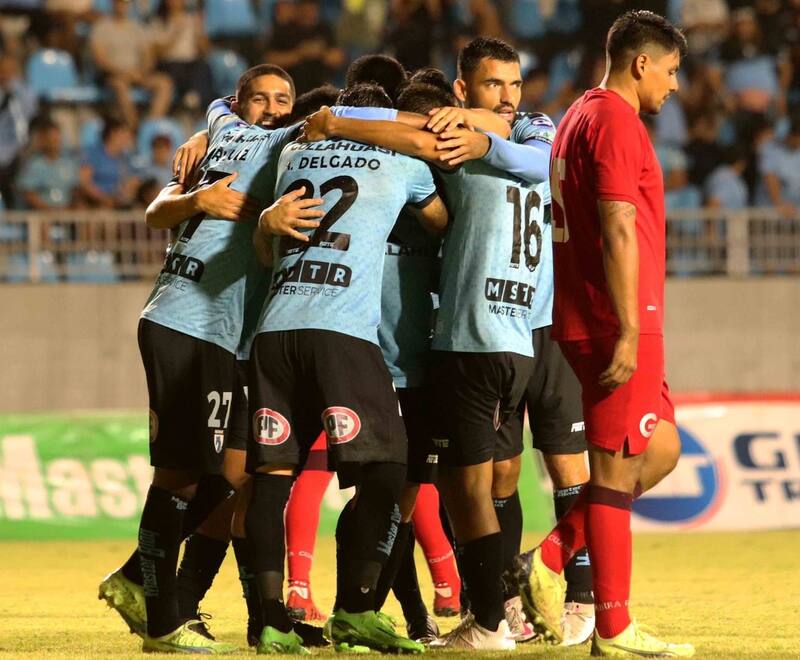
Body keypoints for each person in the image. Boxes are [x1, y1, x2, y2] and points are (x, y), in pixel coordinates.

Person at [97, 64, 297, 654]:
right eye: (259, 98)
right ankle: (162, 621)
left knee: (229, 476)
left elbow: (215, 107)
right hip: (188, 322)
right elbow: (157, 210)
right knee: (181, 478)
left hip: (225, 335)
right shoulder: (265, 141)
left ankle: (140, 577)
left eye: (281, 99)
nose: (272, 108)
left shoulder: (219, 127)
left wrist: (208, 131)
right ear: (243, 104)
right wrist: (196, 199)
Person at [514, 11, 695, 657]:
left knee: (663, 448)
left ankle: (552, 552)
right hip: (618, 319)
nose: (675, 86)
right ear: (641, 63)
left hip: (594, 315)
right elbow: (619, 225)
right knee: (616, 476)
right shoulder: (617, 122)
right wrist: (626, 329)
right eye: (671, 71)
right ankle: (613, 629)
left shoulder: (577, 116)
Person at [245, 83, 449, 654]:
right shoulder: (404, 155)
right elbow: (439, 222)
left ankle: (269, 622)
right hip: (342, 332)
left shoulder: (292, 153)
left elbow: (266, 249)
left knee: (272, 480)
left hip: (275, 330)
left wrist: (265, 223)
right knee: (388, 470)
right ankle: (356, 609)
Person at [89, 0, 173, 127]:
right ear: (112, 4)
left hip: (135, 74)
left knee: (164, 83)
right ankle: (133, 127)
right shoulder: (101, 27)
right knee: (120, 86)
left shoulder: (136, 28)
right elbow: (100, 60)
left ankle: (149, 127)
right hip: (112, 75)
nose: (122, 6)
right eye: (119, 2)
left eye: (125, 3)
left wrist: (141, 72)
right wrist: (124, 73)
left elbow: (147, 56)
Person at [264, 0, 345, 95]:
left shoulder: (324, 29)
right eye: (305, 8)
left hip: (321, 89)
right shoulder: (284, 30)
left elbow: (338, 59)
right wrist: (299, 54)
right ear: (298, 8)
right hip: (291, 89)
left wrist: (320, 52)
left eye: (312, 8)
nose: (309, 12)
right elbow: (270, 60)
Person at [16, 118, 79, 210]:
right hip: (42, 217)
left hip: (67, 215)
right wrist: (49, 210)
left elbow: (75, 190)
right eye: (52, 139)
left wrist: (72, 207)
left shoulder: (68, 163)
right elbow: (29, 194)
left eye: (57, 138)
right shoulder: (34, 164)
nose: (55, 142)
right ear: (43, 140)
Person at [77, 119, 140, 209]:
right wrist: (103, 198)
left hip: (118, 203)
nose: (128, 137)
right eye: (124, 132)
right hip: (95, 203)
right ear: (113, 133)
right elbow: (85, 182)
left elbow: (134, 180)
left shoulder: (126, 158)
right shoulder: (94, 154)